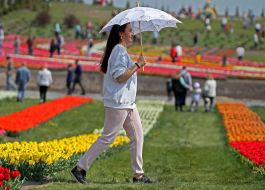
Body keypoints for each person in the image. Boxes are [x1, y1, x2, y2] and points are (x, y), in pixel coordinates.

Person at [71, 23, 153, 184]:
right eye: (130, 31)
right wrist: (137, 65)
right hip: (118, 103)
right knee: (107, 138)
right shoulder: (118, 52)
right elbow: (119, 77)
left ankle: (139, 175)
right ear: (121, 34)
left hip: (128, 103)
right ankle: (79, 169)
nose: (133, 34)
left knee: (138, 137)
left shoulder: (122, 52)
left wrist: (136, 65)